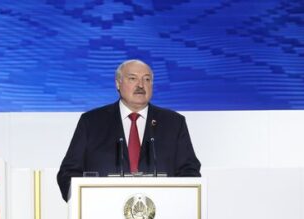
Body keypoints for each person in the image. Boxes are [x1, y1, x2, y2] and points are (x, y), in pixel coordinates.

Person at [56, 59, 201, 201]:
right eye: (133, 78)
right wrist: (83, 201)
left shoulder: (173, 123)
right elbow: (69, 172)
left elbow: (189, 171)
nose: (141, 85)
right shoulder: (92, 122)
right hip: (103, 209)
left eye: (147, 79)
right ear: (118, 83)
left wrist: (178, 202)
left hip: (161, 209)